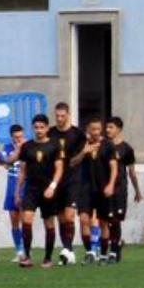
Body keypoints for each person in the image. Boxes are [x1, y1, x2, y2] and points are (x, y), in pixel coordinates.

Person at [15, 114, 65, 269]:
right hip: (31, 189)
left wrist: (52, 186)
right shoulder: (26, 146)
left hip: (48, 190)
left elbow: (59, 168)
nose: (39, 130)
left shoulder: (55, 145)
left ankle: (48, 257)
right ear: (33, 128)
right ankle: (27, 256)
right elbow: (23, 171)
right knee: (26, 220)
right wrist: (17, 191)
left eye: (42, 127)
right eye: (36, 127)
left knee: (49, 223)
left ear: (47, 128)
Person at [98, 116, 142, 264]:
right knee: (106, 220)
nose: (108, 130)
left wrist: (137, 190)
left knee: (116, 219)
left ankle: (115, 249)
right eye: (107, 127)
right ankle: (111, 248)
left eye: (111, 127)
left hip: (120, 188)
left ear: (119, 129)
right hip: (105, 188)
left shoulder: (127, 149)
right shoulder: (102, 146)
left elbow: (131, 172)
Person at [48, 102, 85, 266]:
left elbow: (77, 160)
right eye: (57, 116)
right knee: (61, 218)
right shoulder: (50, 133)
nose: (59, 119)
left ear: (68, 115)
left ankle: (68, 249)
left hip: (73, 180)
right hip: (56, 181)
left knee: (70, 215)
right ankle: (67, 250)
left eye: (62, 116)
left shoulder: (77, 134)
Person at [73, 117, 105, 264]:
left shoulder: (106, 145)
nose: (96, 132)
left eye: (98, 129)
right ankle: (90, 251)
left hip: (101, 187)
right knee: (83, 219)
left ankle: (98, 249)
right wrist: (83, 152)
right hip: (84, 187)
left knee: (99, 221)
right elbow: (72, 163)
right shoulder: (81, 144)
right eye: (93, 129)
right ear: (87, 130)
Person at [1, 125, 28, 262]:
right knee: (14, 218)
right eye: (16, 137)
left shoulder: (29, 146)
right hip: (11, 185)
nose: (19, 139)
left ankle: (25, 250)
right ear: (12, 137)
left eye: (21, 137)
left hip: (25, 185)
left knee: (25, 218)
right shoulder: (7, 147)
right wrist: (17, 150)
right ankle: (19, 250)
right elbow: (6, 163)